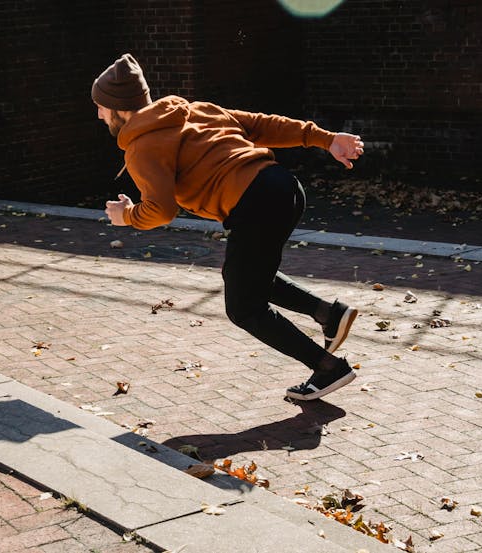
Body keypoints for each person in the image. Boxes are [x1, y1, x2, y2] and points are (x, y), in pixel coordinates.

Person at [92, 53, 363, 401]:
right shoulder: (194, 110)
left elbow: (160, 210)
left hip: (256, 203)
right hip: (283, 187)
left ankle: (329, 368)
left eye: (101, 107)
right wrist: (325, 139)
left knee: (243, 308)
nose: (98, 114)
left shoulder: (142, 146)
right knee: (244, 279)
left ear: (119, 108)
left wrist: (126, 215)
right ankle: (329, 313)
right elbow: (262, 125)